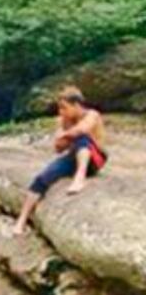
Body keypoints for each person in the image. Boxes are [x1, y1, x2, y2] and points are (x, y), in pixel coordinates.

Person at [14, 85, 109, 235]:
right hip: (73, 156)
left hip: (94, 157)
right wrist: (64, 133)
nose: (61, 112)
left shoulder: (92, 115)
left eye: (64, 108)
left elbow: (82, 130)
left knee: (81, 138)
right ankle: (21, 221)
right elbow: (58, 148)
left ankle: (80, 176)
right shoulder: (65, 121)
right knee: (41, 179)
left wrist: (66, 135)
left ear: (76, 105)